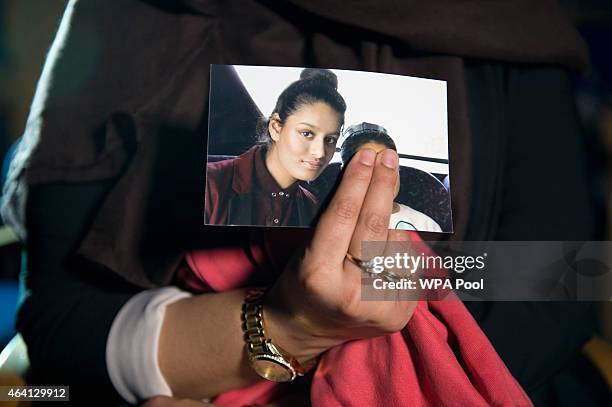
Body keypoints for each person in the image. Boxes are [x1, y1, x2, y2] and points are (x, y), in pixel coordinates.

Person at [2, 1, 603, 406]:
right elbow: (57, 332)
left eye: (328, 141)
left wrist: (410, 275)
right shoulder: (136, 17)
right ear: (273, 124)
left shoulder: (509, 22)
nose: (316, 153)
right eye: (305, 136)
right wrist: (291, 323)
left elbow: (565, 279)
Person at [205, 68, 346, 227]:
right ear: (276, 128)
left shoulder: (310, 207)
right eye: (306, 133)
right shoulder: (211, 184)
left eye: (330, 139)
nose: (320, 152)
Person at [340, 122, 443, 232]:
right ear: (344, 173)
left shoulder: (426, 226)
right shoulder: (333, 223)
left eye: (390, 166)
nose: (383, 177)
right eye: (368, 166)